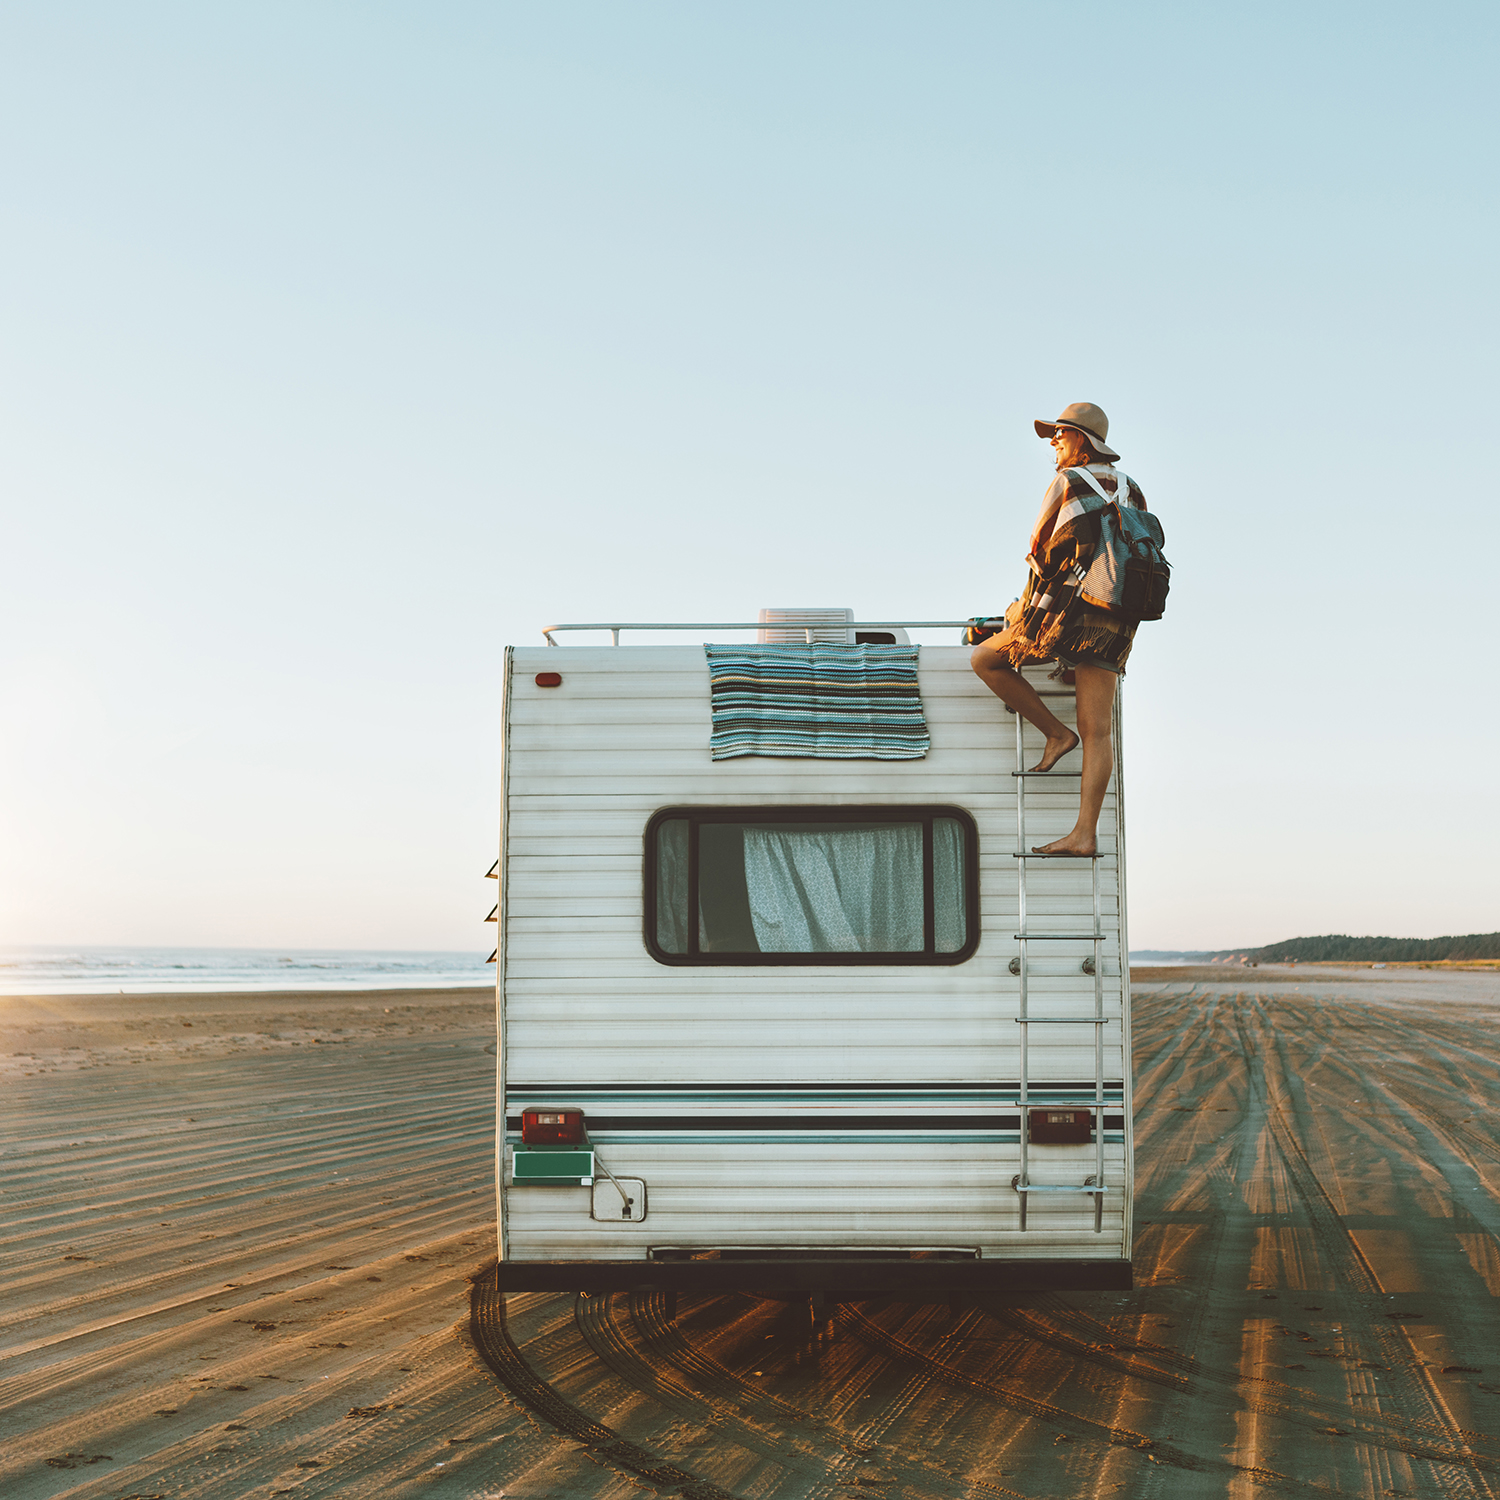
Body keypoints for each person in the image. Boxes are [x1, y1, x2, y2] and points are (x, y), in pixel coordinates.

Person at [969, 402, 1146, 856]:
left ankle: (1054, 733)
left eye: (1061, 434)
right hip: (1115, 619)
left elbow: (1042, 556)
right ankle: (1084, 834)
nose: (1054, 441)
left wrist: (1019, 613)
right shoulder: (1133, 489)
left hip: (1066, 617)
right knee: (1098, 731)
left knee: (985, 658)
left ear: (1082, 442)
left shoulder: (1067, 482)